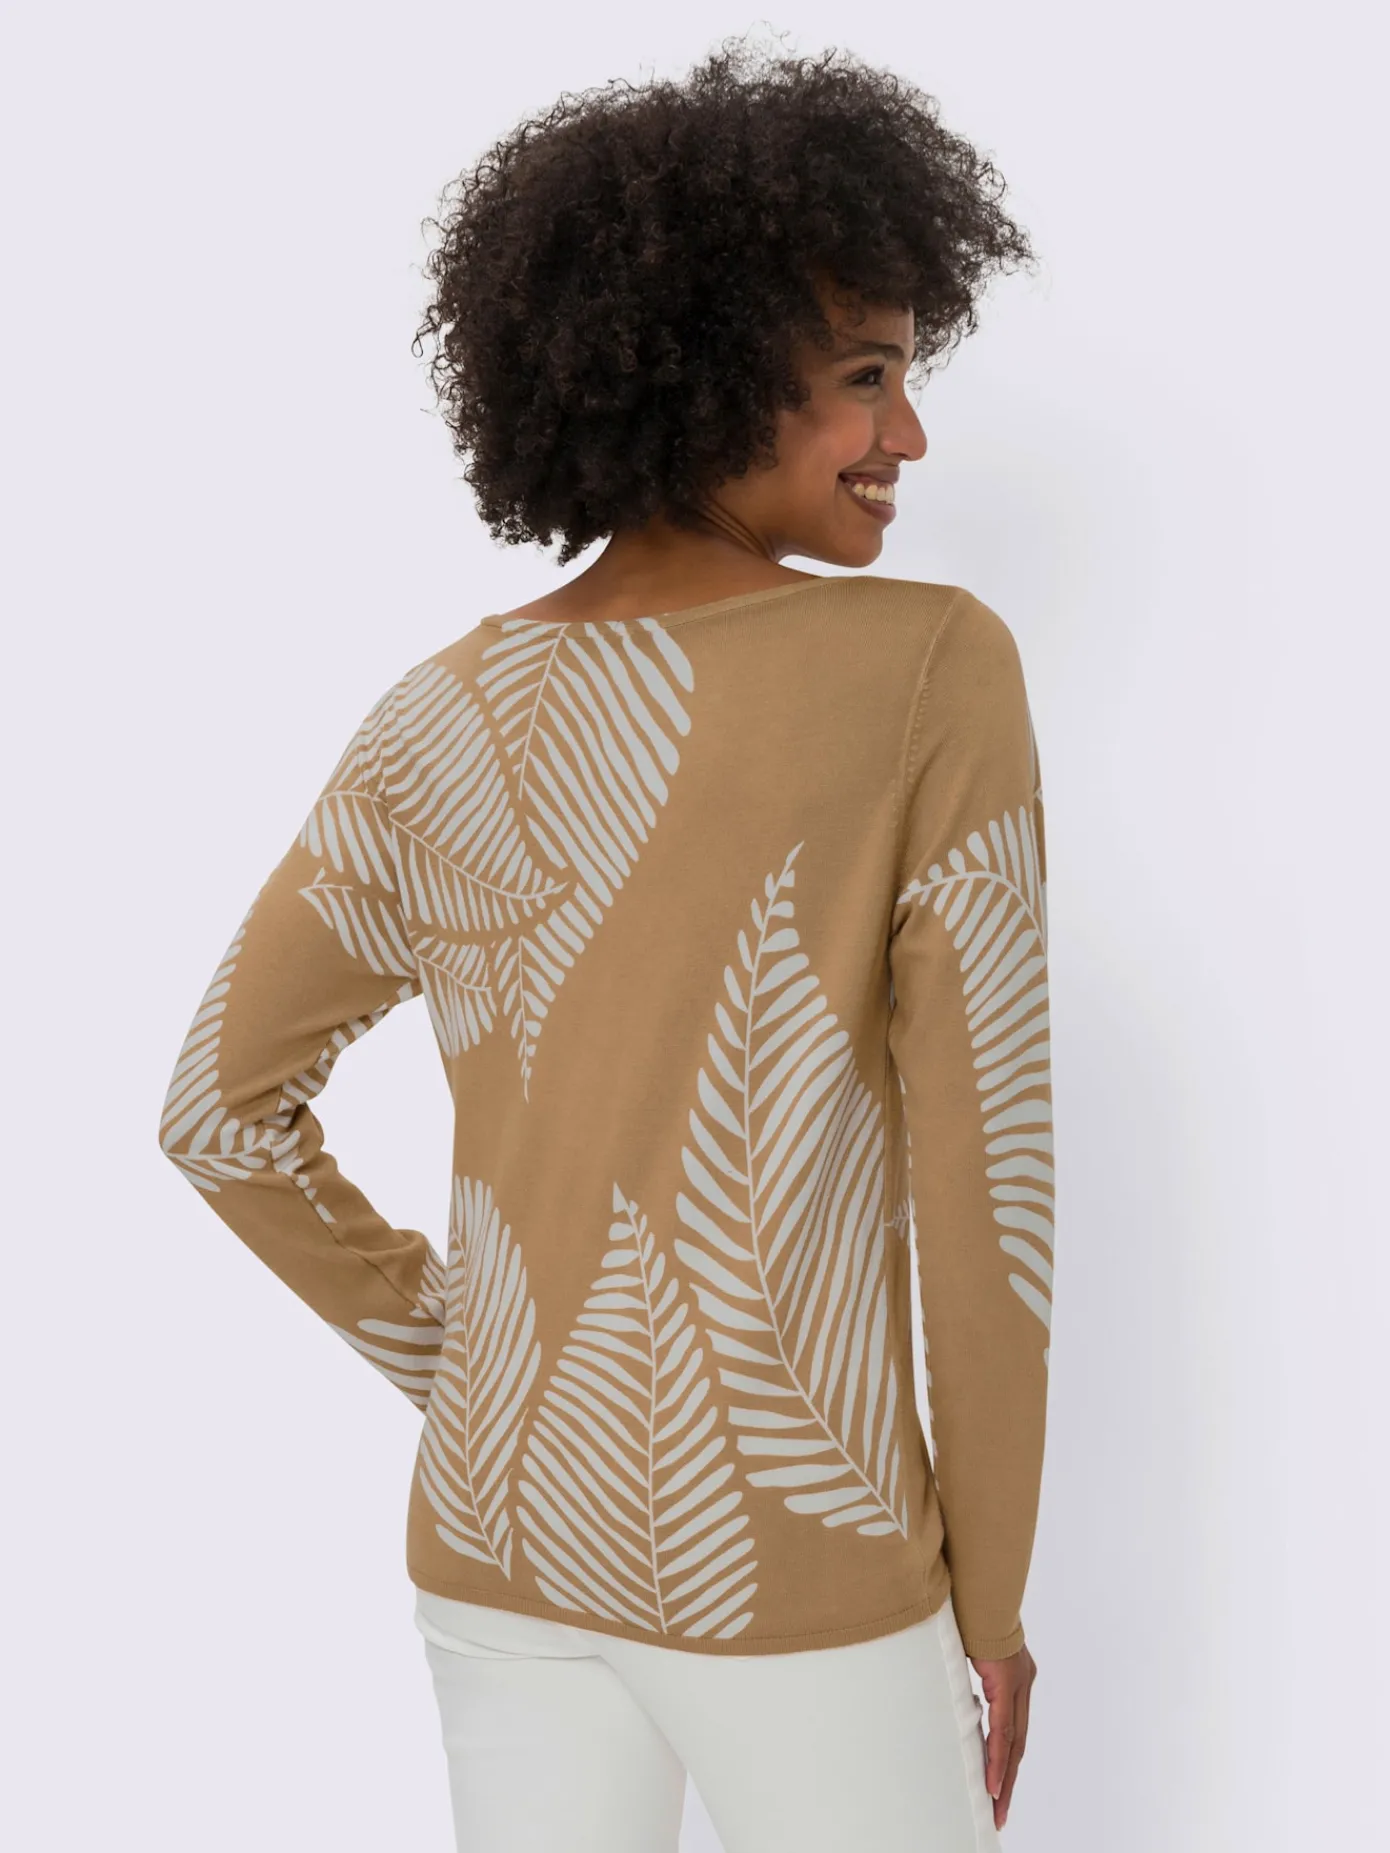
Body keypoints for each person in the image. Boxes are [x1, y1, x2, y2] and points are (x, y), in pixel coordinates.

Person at [158, 35, 1053, 1853]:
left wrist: (482, 1371)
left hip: (493, 1546)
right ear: (715, 376)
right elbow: (987, 1199)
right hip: (795, 1572)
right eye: (864, 378)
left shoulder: (437, 711)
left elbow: (215, 1115)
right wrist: (993, 1603)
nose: (907, 436)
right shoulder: (925, 666)